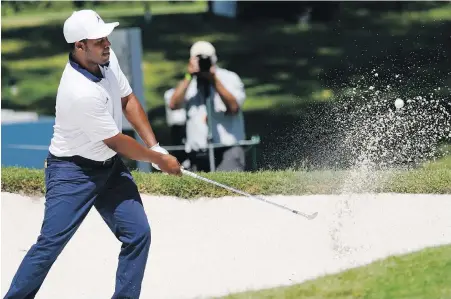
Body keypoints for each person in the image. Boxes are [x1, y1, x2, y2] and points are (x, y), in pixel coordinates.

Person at [3, 9, 181, 299]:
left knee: (138, 233)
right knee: (50, 244)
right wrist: (159, 160)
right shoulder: (79, 92)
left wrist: (154, 145)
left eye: (106, 38)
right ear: (79, 46)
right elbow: (117, 141)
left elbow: (127, 99)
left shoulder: (107, 61)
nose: (107, 44)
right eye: (99, 41)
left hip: (108, 168)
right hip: (72, 173)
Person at [164, 41, 247, 172]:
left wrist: (214, 80)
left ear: (214, 59)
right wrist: (188, 76)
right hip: (197, 152)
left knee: (229, 191)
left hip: (227, 149)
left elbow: (233, 107)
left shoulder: (229, 78)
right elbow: (173, 104)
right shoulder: (188, 83)